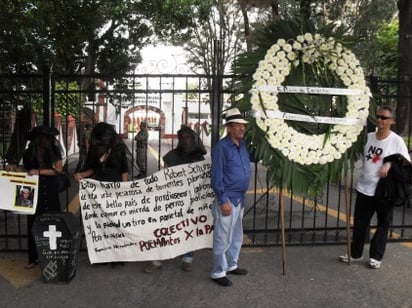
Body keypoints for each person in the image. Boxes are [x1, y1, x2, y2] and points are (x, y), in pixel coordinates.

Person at [339, 106, 410, 269]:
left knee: (383, 224)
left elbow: (406, 163)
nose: (380, 120)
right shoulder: (369, 137)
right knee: (360, 223)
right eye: (378, 117)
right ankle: (355, 253)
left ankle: (376, 257)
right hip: (364, 187)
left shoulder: (396, 140)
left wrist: (390, 163)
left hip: (384, 189)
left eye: (384, 118)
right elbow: (359, 155)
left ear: (392, 121)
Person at [144, 125, 207, 273]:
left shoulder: (198, 158)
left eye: (188, 138)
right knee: (164, 229)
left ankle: (187, 258)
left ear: (193, 139)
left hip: (191, 200)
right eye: (182, 138)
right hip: (172, 199)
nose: (185, 141)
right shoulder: (172, 155)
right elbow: (164, 175)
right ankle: (157, 260)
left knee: (188, 228)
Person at [74, 122, 128, 267]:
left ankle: (117, 256)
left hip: (115, 189)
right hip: (100, 191)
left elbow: (124, 170)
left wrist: (124, 189)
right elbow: (92, 169)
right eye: (104, 135)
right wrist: (81, 175)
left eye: (109, 135)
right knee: (101, 223)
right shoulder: (94, 149)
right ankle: (102, 255)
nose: (106, 138)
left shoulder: (118, 148)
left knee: (116, 223)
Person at [210, 108, 251, 287]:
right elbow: (216, 176)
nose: (242, 129)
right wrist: (222, 200)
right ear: (229, 128)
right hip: (227, 199)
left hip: (240, 198)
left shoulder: (242, 145)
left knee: (236, 235)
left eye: (243, 126)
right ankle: (218, 272)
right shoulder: (221, 147)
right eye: (238, 126)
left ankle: (231, 264)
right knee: (223, 237)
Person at [21, 125, 64, 269]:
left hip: (50, 189)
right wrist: (15, 168)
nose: (49, 140)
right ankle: (33, 257)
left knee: (52, 222)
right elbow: (26, 170)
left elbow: (58, 169)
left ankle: (53, 254)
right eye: (46, 137)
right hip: (33, 190)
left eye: (49, 138)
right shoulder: (28, 153)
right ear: (38, 138)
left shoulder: (54, 151)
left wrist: (39, 171)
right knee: (33, 223)